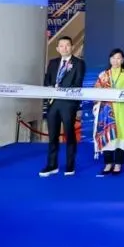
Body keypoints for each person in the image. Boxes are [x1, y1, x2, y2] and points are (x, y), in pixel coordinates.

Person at [40, 36, 86, 177]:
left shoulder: (79, 63)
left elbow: (77, 82)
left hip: (68, 104)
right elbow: (47, 81)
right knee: (53, 135)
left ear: (72, 47)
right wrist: (50, 90)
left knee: (69, 134)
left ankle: (70, 165)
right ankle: (52, 165)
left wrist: (61, 90)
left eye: (67, 45)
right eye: (61, 46)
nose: (64, 48)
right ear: (57, 48)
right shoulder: (53, 63)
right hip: (53, 103)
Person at [92, 48, 124, 176]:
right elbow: (96, 91)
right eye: (113, 58)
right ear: (110, 59)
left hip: (121, 110)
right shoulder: (103, 74)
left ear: (123, 60)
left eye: (118, 58)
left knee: (121, 136)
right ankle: (108, 163)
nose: (116, 60)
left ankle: (118, 163)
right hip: (106, 111)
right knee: (107, 136)